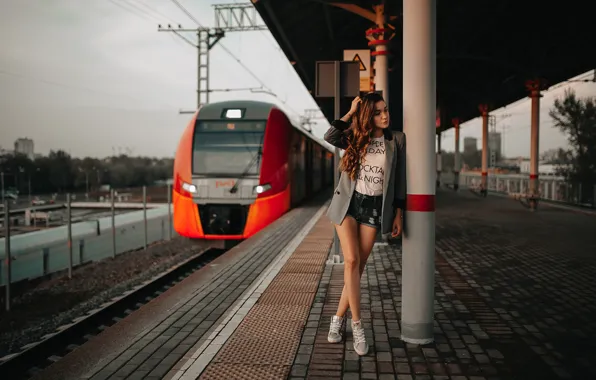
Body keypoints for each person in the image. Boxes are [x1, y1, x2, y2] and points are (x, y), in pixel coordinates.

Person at [323, 92, 406, 356]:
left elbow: (400, 181)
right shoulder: (357, 137)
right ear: (369, 115)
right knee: (351, 261)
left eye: (386, 110)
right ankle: (358, 326)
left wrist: (398, 212)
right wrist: (350, 112)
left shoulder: (397, 140)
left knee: (357, 271)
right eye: (379, 112)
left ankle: (337, 319)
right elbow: (330, 137)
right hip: (348, 203)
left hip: (375, 208)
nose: (385, 115)